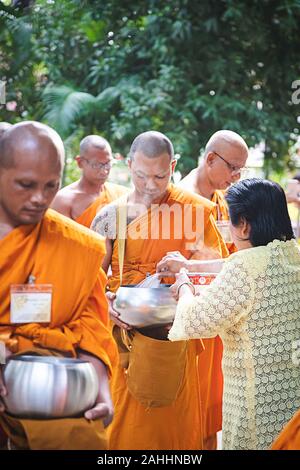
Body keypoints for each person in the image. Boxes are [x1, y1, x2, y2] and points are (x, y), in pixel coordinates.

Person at [91, 130, 228, 450]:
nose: (150, 185)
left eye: (160, 175)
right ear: (127, 165)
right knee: (125, 426)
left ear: (174, 166)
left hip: (174, 337)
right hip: (124, 335)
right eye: (140, 175)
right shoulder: (111, 214)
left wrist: (187, 271)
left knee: (176, 430)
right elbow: (90, 277)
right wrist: (106, 302)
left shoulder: (193, 212)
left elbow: (217, 272)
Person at [0, 121, 118, 450]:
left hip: (51, 392)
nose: (40, 198)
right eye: (25, 185)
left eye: (51, 186)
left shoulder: (76, 246)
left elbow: (90, 325)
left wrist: (100, 389)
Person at [168, 178, 300, 450]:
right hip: (292, 397)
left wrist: (184, 287)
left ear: (244, 225)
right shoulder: (292, 254)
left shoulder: (244, 268)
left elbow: (195, 321)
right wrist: (192, 266)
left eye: (230, 220)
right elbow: (246, 265)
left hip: (254, 402)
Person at [171, 129, 249, 449]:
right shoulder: (183, 199)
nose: (236, 175)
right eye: (232, 167)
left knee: (211, 412)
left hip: (218, 316)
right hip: (192, 319)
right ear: (210, 159)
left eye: (241, 169)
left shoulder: (222, 199)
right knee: (193, 408)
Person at [51, 135, 128, 227]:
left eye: (108, 163)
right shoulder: (63, 200)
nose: (104, 171)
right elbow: (61, 239)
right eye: (96, 165)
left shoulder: (121, 194)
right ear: (80, 162)